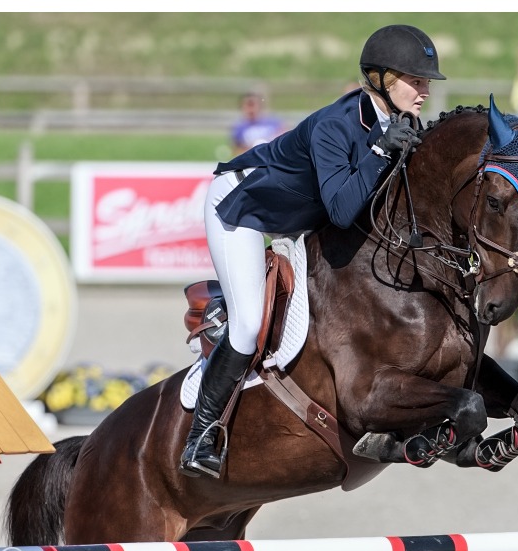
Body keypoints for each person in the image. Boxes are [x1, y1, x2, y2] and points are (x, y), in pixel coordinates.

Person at [179, 24, 446, 478]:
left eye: (425, 82)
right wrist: (380, 150)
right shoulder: (334, 126)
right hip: (242, 207)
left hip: (300, 218)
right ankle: (201, 436)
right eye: (415, 80)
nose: (424, 91)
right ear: (380, 78)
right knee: (246, 326)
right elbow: (343, 210)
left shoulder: (404, 124)